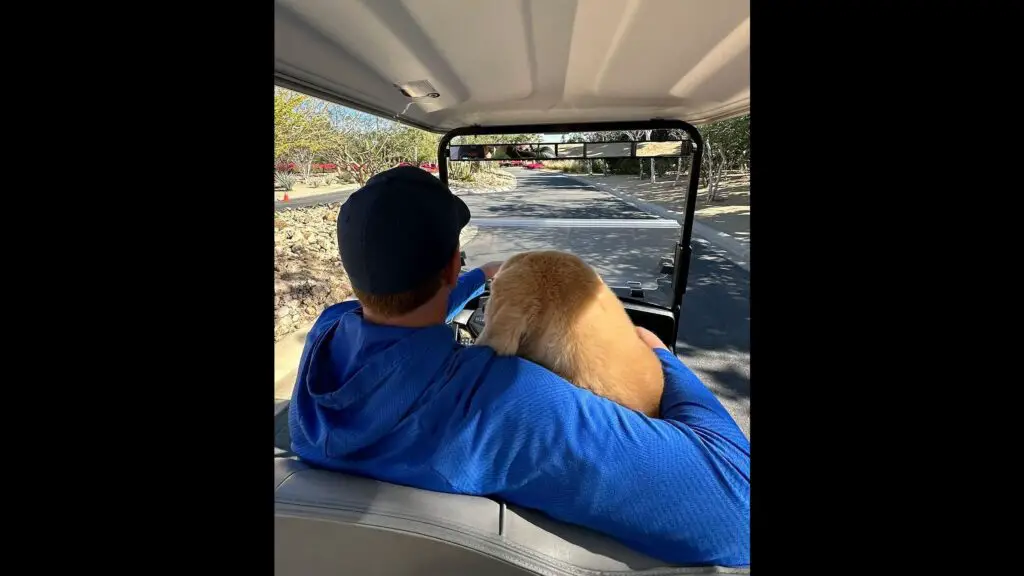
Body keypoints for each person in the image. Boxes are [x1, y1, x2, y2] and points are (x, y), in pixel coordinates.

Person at [289, 166, 750, 567]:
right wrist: (663, 358)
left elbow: (397, 318)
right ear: (450, 264)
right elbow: (738, 508)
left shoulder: (326, 336)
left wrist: (477, 278)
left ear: (354, 277)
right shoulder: (501, 401)